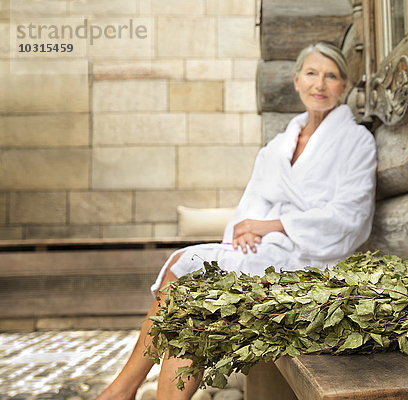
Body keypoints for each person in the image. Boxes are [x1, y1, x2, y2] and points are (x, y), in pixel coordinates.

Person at [95, 42, 377, 400]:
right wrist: (245, 233)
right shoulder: (276, 147)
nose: (319, 84)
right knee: (186, 279)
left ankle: (123, 389)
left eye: (330, 76)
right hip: (265, 251)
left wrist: (272, 226)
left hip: (313, 260)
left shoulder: (357, 142)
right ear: (296, 81)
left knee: (191, 283)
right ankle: (129, 390)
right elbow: (251, 205)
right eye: (311, 73)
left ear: (344, 86)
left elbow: (351, 218)